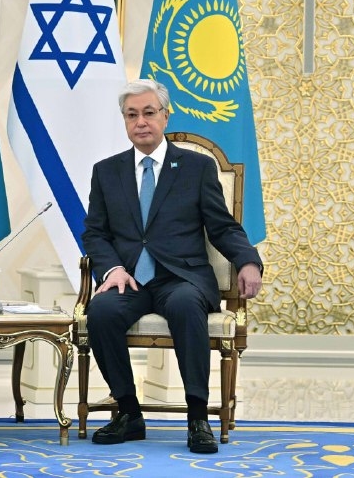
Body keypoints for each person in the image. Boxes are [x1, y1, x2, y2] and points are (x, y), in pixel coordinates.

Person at [81, 79, 262, 454]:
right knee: (101, 311)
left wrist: (247, 261)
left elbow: (222, 226)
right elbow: (95, 233)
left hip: (181, 278)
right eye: (132, 115)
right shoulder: (106, 171)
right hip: (130, 279)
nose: (141, 122)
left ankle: (198, 418)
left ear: (165, 115)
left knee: (184, 305)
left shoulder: (197, 167)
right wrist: (113, 269)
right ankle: (128, 413)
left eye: (149, 112)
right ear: (124, 120)